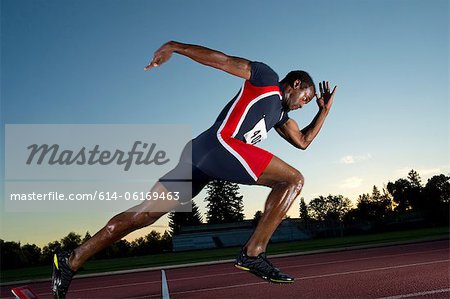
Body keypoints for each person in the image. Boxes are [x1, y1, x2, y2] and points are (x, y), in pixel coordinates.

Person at [52, 41, 336, 297]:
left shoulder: (281, 117)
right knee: (293, 180)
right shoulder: (267, 79)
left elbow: (303, 141)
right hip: (220, 144)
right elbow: (222, 60)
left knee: (143, 215)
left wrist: (322, 112)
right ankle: (253, 252)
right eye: (306, 99)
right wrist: (175, 47)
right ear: (296, 84)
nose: (303, 106)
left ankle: (71, 259)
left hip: (199, 154)